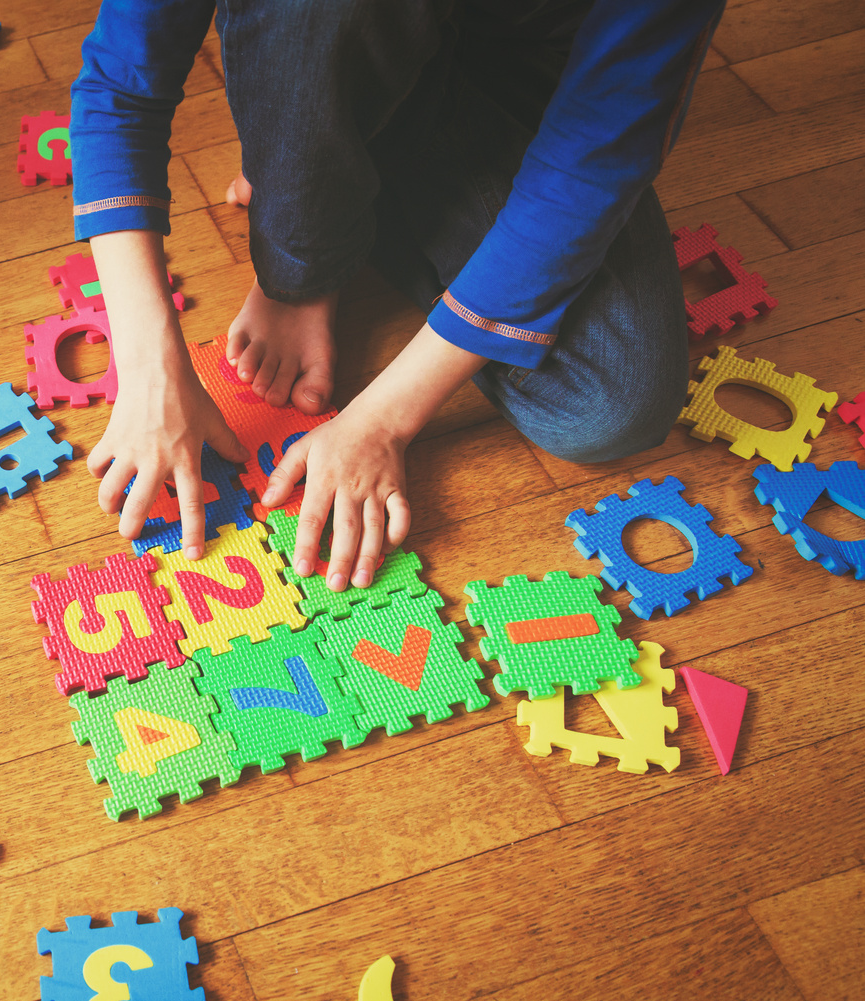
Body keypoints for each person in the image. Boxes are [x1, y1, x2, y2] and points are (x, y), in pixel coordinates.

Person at [71, 0, 723, 587]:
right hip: (332, 40)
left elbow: (591, 167)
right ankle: (307, 225)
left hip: (530, 80)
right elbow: (119, 89)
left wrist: (383, 419)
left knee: (609, 408)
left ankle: (324, 185)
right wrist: (149, 370)